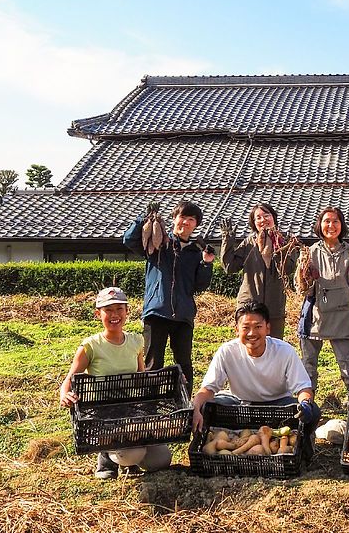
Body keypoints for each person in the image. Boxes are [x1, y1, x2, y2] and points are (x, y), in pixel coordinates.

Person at [59, 287, 172, 479]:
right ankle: (106, 462)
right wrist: (64, 394)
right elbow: (70, 377)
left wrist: (168, 377)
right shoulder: (91, 346)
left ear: (127, 311)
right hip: (103, 412)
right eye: (108, 310)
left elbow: (141, 375)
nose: (114, 315)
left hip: (130, 410)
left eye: (119, 309)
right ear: (98, 314)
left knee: (161, 460)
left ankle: (129, 461)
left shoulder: (136, 342)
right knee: (130, 453)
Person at [123, 200, 215, 395]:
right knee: (153, 362)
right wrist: (144, 219)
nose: (186, 223)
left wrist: (207, 264)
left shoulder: (195, 253)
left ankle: (184, 405)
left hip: (183, 316)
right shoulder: (158, 243)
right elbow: (129, 240)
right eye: (183, 217)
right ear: (174, 219)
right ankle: (151, 406)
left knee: (184, 363)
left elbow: (200, 285)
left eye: (191, 220)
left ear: (196, 225)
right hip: (157, 311)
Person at [191, 302, 319, 435]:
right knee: (205, 408)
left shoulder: (285, 351)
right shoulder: (227, 351)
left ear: (267, 328)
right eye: (246, 327)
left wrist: (305, 404)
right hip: (240, 403)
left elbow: (303, 388)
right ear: (237, 329)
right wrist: (195, 407)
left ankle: (303, 450)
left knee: (313, 411)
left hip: (278, 404)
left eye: (258, 327)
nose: (252, 333)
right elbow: (208, 388)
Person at [294, 206, 349, 391]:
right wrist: (305, 274)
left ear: (341, 225)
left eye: (336, 221)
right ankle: (307, 406)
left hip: (342, 315)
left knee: (348, 367)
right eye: (327, 221)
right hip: (316, 316)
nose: (331, 225)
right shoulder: (310, 252)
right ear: (320, 225)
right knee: (308, 366)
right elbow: (303, 288)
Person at [220, 202, 298, 339]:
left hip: (274, 307)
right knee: (247, 343)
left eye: (266, 215)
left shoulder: (285, 242)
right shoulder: (249, 243)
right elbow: (230, 267)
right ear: (254, 222)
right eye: (258, 218)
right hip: (248, 304)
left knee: (274, 346)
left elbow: (288, 269)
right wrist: (228, 239)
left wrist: (277, 246)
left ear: (273, 217)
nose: (263, 220)